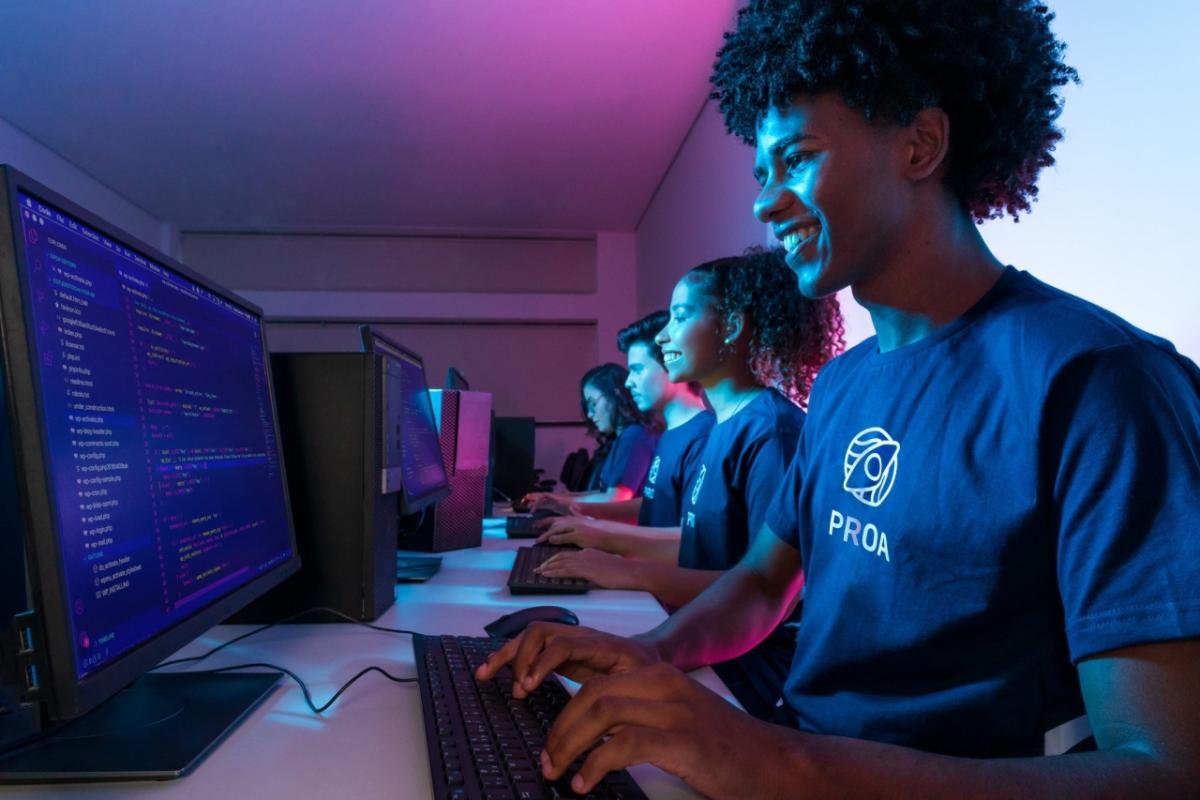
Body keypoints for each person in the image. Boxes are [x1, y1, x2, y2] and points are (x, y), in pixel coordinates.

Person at [477, 1, 1200, 796]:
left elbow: (1163, 771)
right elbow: (759, 585)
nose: (765, 203)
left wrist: (774, 761)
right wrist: (651, 651)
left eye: (797, 160)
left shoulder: (1099, 379)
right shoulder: (848, 384)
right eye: (763, 174)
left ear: (920, 146)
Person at [535, 249, 843, 719]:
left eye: (679, 316)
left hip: (750, 669)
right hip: (703, 640)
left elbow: (763, 591)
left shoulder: (770, 432)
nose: (663, 335)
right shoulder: (724, 425)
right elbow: (702, 545)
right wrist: (607, 555)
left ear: (732, 327)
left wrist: (626, 570)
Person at [531, 311, 712, 539]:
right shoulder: (669, 435)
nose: (628, 382)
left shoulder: (704, 437)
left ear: (671, 361)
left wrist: (598, 535)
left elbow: (692, 541)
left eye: (637, 370)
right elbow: (652, 506)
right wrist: (574, 510)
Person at [529, 363, 659, 505]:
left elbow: (616, 499)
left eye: (593, 404)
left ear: (615, 395)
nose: (590, 415)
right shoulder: (621, 438)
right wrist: (560, 497)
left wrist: (561, 503)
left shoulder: (634, 436)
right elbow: (605, 493)